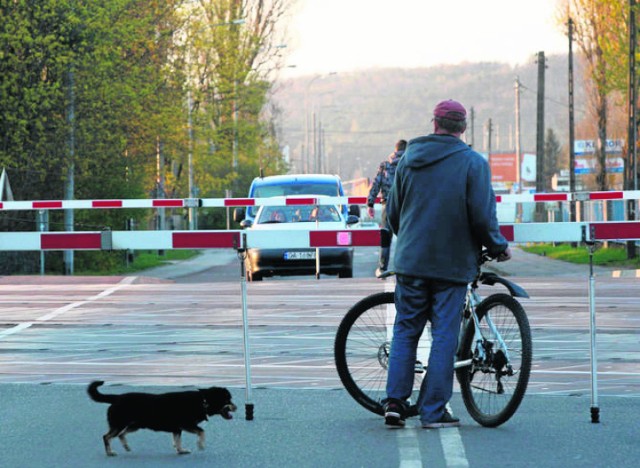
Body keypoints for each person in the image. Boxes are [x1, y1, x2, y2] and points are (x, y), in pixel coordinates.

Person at [383, 99, 512, 429]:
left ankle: (395, 403)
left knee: (406, 330)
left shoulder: (409, 158)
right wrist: (497, 246)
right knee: (444, 336)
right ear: (463, 128)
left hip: (411, 262)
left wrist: (411, 241)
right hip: (452, 265)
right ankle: (433, 411)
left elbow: (393, 212)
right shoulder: (472, 163)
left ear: (434, 122)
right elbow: (483, 216)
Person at [367, 139, 407, 277]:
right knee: (405, 236)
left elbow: (375, 185)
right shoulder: (410, 164)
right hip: (405, 205)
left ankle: (382, 268)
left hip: (387, 205)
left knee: (385, 236)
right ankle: (404, 268)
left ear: (395, 150)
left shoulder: (385, 166)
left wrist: (370, 203)